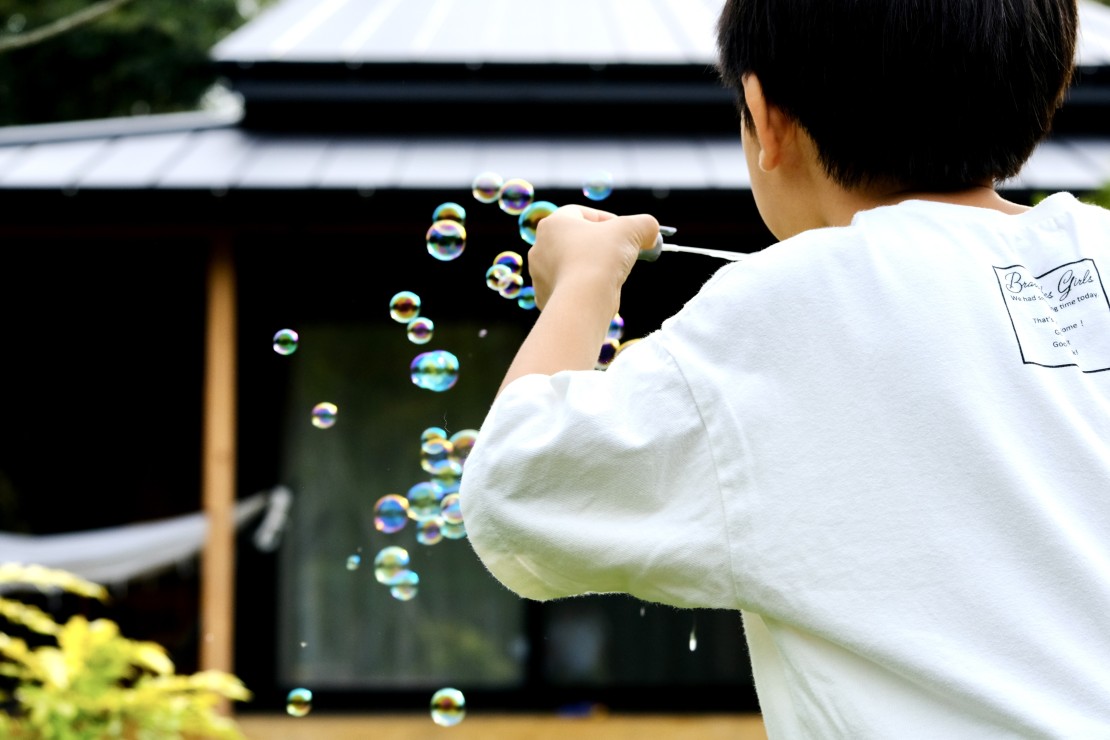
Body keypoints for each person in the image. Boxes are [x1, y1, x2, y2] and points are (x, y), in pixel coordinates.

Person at [458, 0, 1110, 736]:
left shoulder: (788, 298)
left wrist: (580, 285)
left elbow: (514, 490)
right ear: (1041, 91)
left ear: (766, 118)